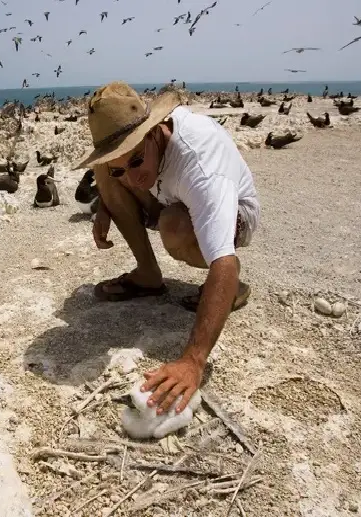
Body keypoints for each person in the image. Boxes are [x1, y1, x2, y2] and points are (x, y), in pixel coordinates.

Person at [74, 81, 260, 416]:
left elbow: (224, 262)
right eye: (122, 169)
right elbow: (125, 167)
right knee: (103, 170)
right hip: (169, 193)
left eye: (135, 161)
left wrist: (192, 361)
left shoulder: (201, 166)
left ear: (156, 130)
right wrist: (107, 205)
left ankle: (232, 290)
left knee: (174, 226)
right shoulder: (138, 159)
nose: (129, 179)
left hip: (235, 217)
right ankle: (148, 275)